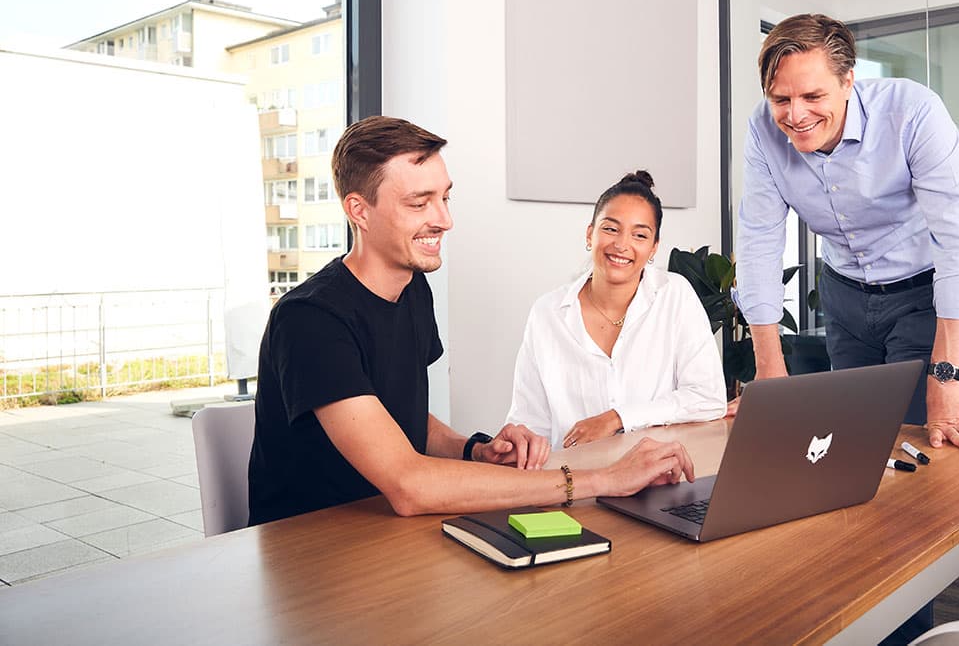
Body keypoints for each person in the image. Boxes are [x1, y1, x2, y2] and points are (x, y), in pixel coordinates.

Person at [248, 117, 695, 526]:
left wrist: (475, 450)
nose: (444, 219)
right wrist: (602, 479)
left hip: (387, 528)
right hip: (312, 549)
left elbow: (397, 418)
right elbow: (409, 484)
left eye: (445, 197)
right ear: (359, 211)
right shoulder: (310, 321)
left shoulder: (411, 289)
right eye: (420, 202)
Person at [734, 13, 959, 454]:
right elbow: (759, 238)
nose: (795, 114)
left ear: (848, 82)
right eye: (780, 98)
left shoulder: (912, 112)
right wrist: (769, 368)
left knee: (922, 439)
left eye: (812, 95)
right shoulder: (763, 129)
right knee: (853, 444)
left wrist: (947, 378)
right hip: (844, 298)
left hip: (920, 297)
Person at [506, 171, 727, 449]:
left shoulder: (674, 295)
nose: (622, 245)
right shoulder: (547, 313)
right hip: (574, 480)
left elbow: (708, 397)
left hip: (658, 478)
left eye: (639, 235)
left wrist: (618, 418)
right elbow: (529, 420)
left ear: (654, 247)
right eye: (610, 229)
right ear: (590, 234)